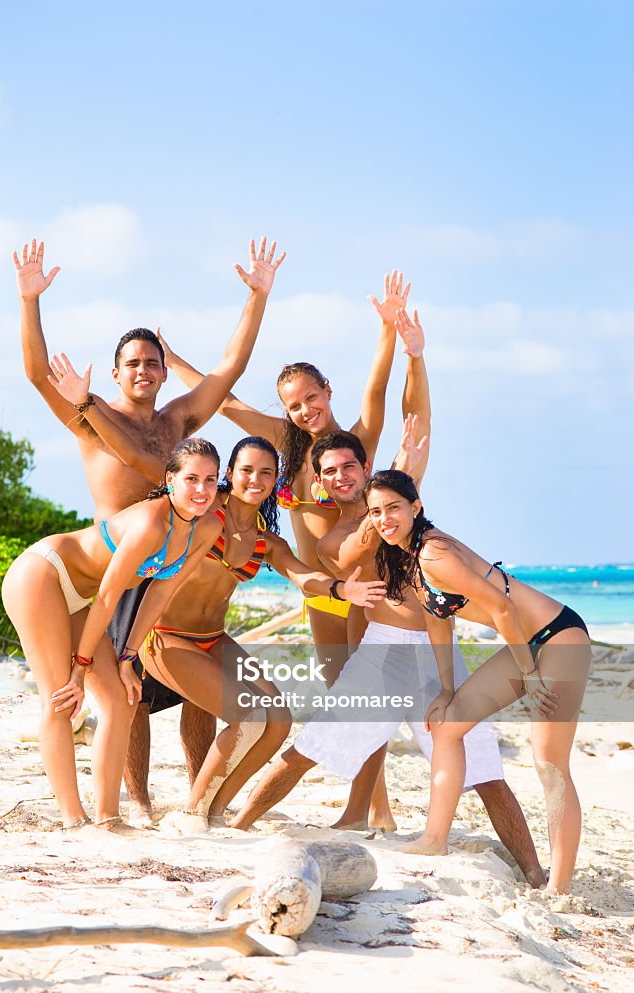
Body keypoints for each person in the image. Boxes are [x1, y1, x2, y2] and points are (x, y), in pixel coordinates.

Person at [15, 236, 285, 816]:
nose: (142, 369)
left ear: (164, 371)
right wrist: (29, 299)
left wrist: (257, 298)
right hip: (111, 564)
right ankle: (132, 800)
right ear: (116, 372)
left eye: (151, 361)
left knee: (177, 683)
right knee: (118, 697)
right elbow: (37, 373)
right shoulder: (92, 415)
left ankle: (190, 793)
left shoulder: (179, 424)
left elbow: (229, 367)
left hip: (166, 559)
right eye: (132, 363)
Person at [226, 427, 545, 887]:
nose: (340, 477)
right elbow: (360, 547)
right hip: (383, 652)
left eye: (349, 467)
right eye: (329, 471)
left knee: (486, 771)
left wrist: (404, 477)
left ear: (365, 468)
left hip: (439, 650)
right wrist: (394, 491)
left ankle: (534, 873)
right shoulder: (332, 540)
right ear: (319, 481)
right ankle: (238, 827)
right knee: (307, 749)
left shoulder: (400, 510)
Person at [165, 273, 430, 826]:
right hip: (319, 593)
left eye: (312, 397)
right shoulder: (283, 445)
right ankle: (375, 811)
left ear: (327, 392)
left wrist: (388, 331)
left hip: (358, 589)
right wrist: (173, 359)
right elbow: (227, 403)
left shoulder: (351, 448)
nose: (305, 409)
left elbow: (378, 394)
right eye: (293, 404)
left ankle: (365, 811)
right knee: (345, 701)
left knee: (363, 703)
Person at [94, 433, 387, 831]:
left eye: (266, 473)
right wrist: (123, 648)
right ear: (229, 473)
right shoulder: (199, 514)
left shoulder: (264, 540)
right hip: (165, 637)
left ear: (275, 481)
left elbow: (304, 576)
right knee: (248, 716)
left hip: (214, 639)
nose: (255, 479)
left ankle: (216, 808)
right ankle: (193, 809)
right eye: (246, 470)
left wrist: (341, 589)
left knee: (279, 719)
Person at [362, 467, 591, 893]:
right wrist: (447, 691)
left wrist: (529, 674)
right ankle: (433, 840)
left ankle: (558, 888)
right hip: (525, 645)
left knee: (549, 764)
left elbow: (503, 609)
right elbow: (438, 623)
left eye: (393, 507)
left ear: (416, 507)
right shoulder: (410, 559)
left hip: (557, 637)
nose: (384, 518)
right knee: (447, 725)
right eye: (375, 511)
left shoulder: (434, 553)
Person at [1, 439, 223, 831]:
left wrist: (128, 657)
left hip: (79, 598)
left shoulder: (207, 526)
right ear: (170, 479)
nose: (202, 489)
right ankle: (74, 819)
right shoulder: (150, 524)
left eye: (210, 479)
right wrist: (81, 668)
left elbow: (161, 591)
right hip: (43, 575)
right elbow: (107, 597)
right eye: (191, 479)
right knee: (62, 698)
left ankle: (107, 818)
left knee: (121, 700)